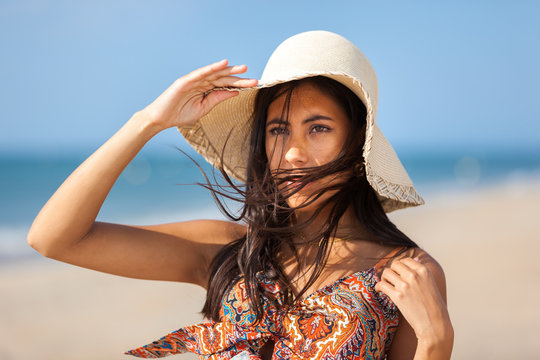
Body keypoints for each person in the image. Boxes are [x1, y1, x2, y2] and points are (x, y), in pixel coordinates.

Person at [27, 31, 453, 359]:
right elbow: (55, 238)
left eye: (318, 128)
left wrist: (436, 343)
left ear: (357, 141)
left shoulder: (405, 275)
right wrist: (148, 121)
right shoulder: (231, 252)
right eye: (278, 130)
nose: (292, 152)